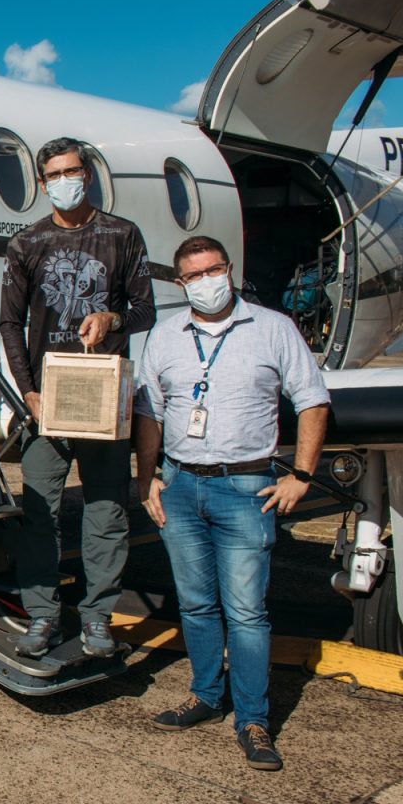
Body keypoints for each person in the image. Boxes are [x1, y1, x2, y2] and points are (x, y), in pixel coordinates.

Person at [135, 235, 329, 771]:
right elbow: (150, 412)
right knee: (196, 604)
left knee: (246, 612)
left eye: (214, 270)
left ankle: (253, 719)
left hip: (245, 487)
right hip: (180, 485)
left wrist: (302, 476)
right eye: (194, 275)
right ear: (180, 283)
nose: (206, 282)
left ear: (230, 269)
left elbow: (312, 399)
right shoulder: (165, 336)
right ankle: (205, 695)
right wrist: (146, 479)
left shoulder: (273, 329)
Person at [0, 136, 157, 658]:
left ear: (86, 175)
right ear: (42, 183)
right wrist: (28, 391)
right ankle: (42, 616)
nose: (64, 181)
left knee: (107, 510)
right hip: (47, 401)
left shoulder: (122, 235)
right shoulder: (27, 242)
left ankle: (96, 618)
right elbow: (10, 323)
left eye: (72, 171)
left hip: (103, 399)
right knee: (38, 510)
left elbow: (146, 311)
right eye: (54, 175)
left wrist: (112, 318)